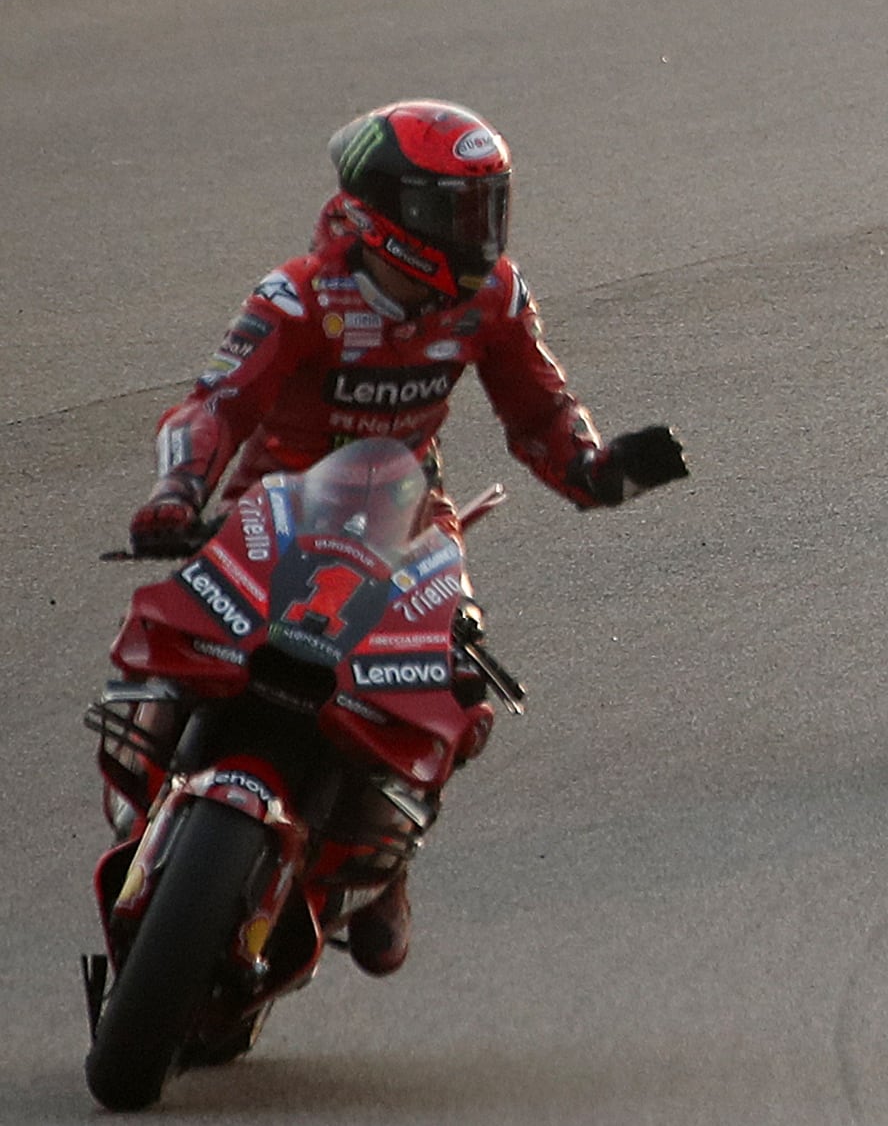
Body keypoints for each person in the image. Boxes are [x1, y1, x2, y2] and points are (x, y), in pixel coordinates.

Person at [121, 99, 688, 975]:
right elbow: (218, 402)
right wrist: (176, 489)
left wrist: (597, 468)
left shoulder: (492, 299)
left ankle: (382, 869)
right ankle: (148, 782)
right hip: (276, 506)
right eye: (458, 211)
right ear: (394, 211)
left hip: (408, 517)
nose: (480, 233)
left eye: (489, 208)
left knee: (459, 687)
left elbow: (537, 407)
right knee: (175, 641)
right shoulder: (301, 294)